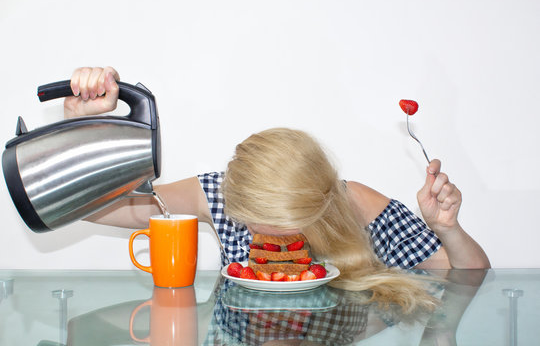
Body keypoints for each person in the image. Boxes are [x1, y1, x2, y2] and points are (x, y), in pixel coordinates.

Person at [65, 67, 490, 313]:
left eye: (290, 223)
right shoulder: (216, 194)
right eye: (254, 219)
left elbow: (469, 278)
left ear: (321, 203)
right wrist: (79, 130)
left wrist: (447, 229)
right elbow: (94, 208)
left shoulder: (355, 202)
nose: (272, 237)